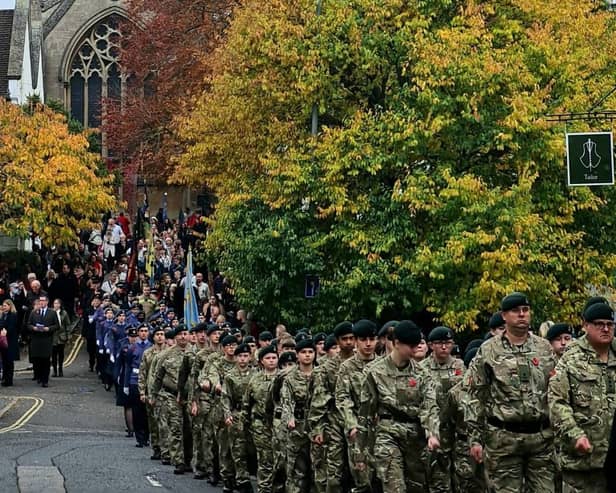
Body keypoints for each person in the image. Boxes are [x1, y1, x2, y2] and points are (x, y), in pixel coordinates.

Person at [465, 292, 557, 493]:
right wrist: (475, 439)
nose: (522, 315)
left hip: (541, 439)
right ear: (504, 316)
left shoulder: (544, 348)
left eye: (525, 310)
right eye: (516, 311)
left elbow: (556, 390)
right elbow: (475, 395)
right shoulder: (488, 350)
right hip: (504, 439)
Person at [356, 320, 441, 492]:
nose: (414, 349)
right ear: (396, 343)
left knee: (416, 488)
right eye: (409, 345)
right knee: (395, 488)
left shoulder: (422, 374)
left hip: (415, 437)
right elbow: (365, 413)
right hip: (387, 434)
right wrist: (360, 452)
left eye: (416, 345)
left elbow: (429, 406)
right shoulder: (374, 372)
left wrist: (432, 433)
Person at [549, 302, 616, 492]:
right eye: (599, 324)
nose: (605, 329)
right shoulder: (571, 359)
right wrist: (574, 434)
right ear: (585, 325)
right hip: (583, 462)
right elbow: (557, 402)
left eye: (610, 324)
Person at [420, 326, 465, 492]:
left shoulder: (460, 365)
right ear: (431, 345)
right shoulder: (422, 368)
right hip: (436, 428)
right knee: (438, 479)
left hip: (458, 429)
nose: (444, 347)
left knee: (463, 477)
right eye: (440, 343)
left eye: (448, 343)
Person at [335, 319, 379, 493]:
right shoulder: (347, 367)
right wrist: (351, 424)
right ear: (356, 341)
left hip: (382, 429)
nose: (368, 344)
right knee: (363, 480)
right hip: (358, 430)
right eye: (363, 339)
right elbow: (343, 398)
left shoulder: (384, 365)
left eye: (372, 339)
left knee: (384, 479)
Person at [281, 338, 316, 493]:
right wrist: (289, 417)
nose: (307, 355)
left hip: (317, 427)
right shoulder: (289, 378)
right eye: (303, 352)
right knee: (297, 470)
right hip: (297, 426)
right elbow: (286, 400)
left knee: (318, 471)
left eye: (310, 352)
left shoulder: (320, 374)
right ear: (297, 355)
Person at [244, 345, 279, 493]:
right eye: (268, 358)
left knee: (280, 461)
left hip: (279, 425)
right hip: (260, 424)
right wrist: (245, 424)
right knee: (265, 460)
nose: (271, 361)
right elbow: (247, 402)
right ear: (261, 361)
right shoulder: (255, 379)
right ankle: (263, 489)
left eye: (274, 358)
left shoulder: (283, 378)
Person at [221, 343, 255, 493]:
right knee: (236, 448)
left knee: (251, 449)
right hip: (236, 414)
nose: (243, 359)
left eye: (245, 356)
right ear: (235, 358)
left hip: (252, 416)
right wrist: (227, 414)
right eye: (240, 356)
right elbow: (225, 397)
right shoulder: (230, 376)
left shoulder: (256, 374)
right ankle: (241, 479)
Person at [125, 324, 152, 447]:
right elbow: (128, 366)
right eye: (141, 331)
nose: (143, 333)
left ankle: (147, 436)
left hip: (148, 381)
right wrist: (126, 384)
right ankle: (140, 437)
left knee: (147, 411)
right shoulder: (132, 348)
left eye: (146, 331)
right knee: (137, 411)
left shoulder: (151, 347)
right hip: (134, 380)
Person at [27, 294, 58, 387]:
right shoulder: (34, 312)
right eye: (40, 301)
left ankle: (45, 380)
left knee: (45, 361)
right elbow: (28, 324)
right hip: (36, 340)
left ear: (47, 302)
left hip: (46, 340)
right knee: (37, 361)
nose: (41, 302)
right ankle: (39, 377)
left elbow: (57, 325)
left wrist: (48, 328)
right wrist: (34, 328)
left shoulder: (52, 313)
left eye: (43, 300)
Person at [0, 299, 19, 386]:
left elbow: (12, 327)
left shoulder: (13, 315)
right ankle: (4, 378)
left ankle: (9, 380)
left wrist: (6, 331)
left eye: (5, 306)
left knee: (9, 361)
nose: (3, 307)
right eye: (3, 306)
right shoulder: (3, 315)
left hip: (10, 341)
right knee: (4, 361)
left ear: (10, 306)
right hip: (3, 341)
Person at [51, 298, 71, 377]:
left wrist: (68, 336)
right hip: (53, 337)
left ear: (60, 305)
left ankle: (60, 370)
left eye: (57, 303)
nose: (56, 305)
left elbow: (67, 325)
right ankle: (54, 371)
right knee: (53, 355)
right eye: (55, 303)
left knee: (61, 355)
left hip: (61, 336)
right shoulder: (51, 312)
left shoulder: (64, 313)